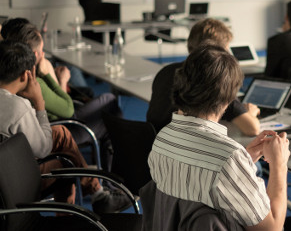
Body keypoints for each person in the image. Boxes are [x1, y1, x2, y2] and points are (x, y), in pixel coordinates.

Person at [148, 44, 291, 230]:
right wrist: (279, 164)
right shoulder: (227, 157)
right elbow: (272, 227)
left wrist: (245, 158)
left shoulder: (163, 138)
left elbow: (196, 185)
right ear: (229, 99)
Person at [0, 40, 131, 213]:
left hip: (7, 171)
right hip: (13, 183)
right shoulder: (17, 107)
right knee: (66, 162)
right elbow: (43, 149)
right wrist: (39, 103)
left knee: (61, 133)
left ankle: (98, 195)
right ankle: (74, 214)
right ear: (26, 75)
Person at [3, 22, 122, 170]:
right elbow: (67, 109)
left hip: (45, 130)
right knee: (109, 106)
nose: (44, 54)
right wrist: (55, 78)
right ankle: (108, 179)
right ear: (35, 55)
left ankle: (103, 180)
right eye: (42, 50)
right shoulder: (33, 84)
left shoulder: (11, 83)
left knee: (104, 107)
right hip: (62, 124)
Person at [146, 18, 260, 136]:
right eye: (226, 47)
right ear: (219, 52)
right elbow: (252, 129)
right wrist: (251, 113)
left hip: (158, 142)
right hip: (185, 146)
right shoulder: (214, 78)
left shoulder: (166, 71)